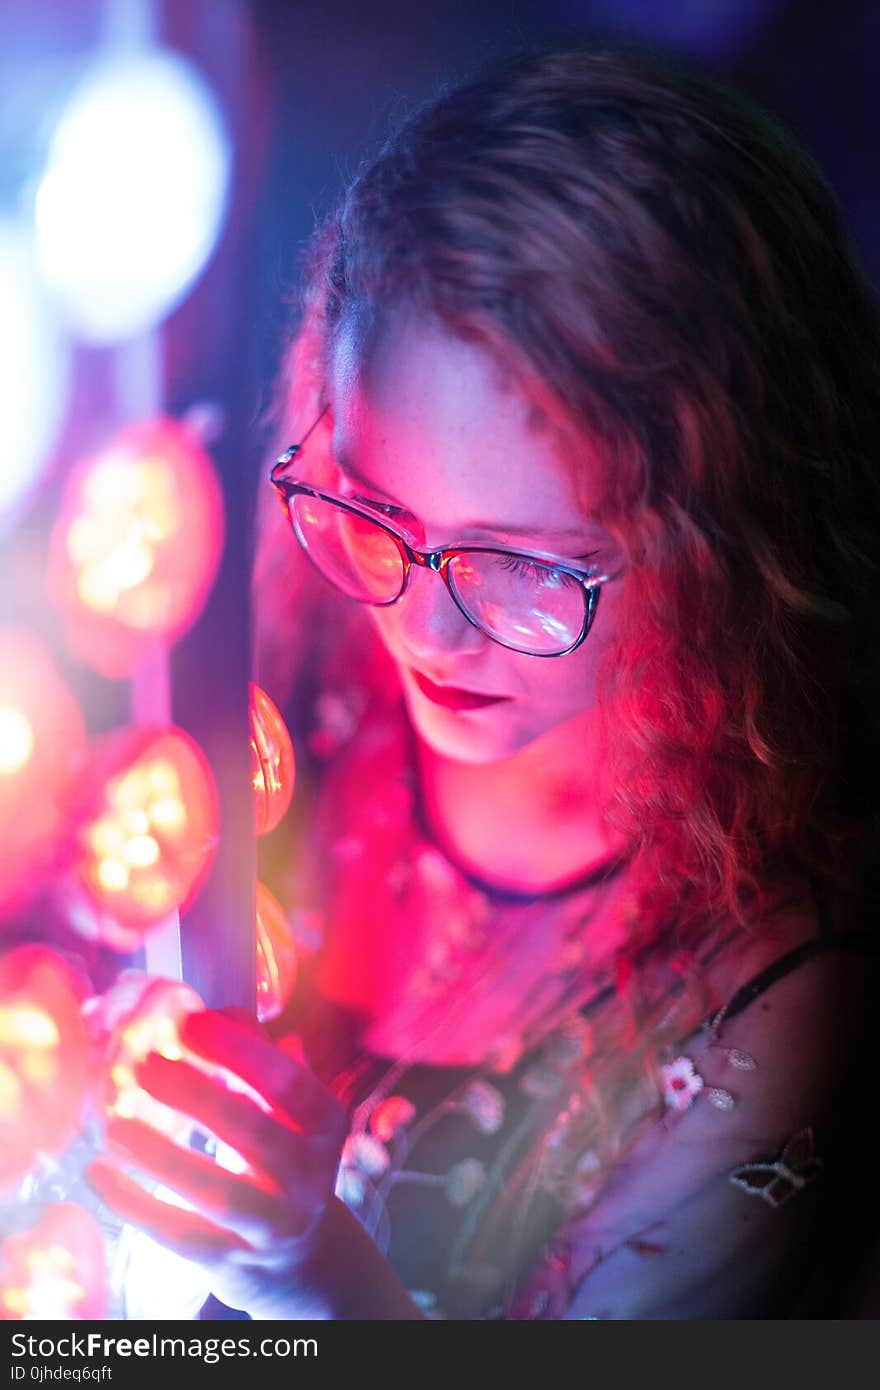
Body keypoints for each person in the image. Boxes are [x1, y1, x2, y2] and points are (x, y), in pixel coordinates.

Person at [88, 44, 880, 1319]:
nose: (427, 628)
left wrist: (317, 1282)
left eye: (524, 567)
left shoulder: (781, 1016)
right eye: (373, 508)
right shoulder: (282, 646)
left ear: (734, 551)